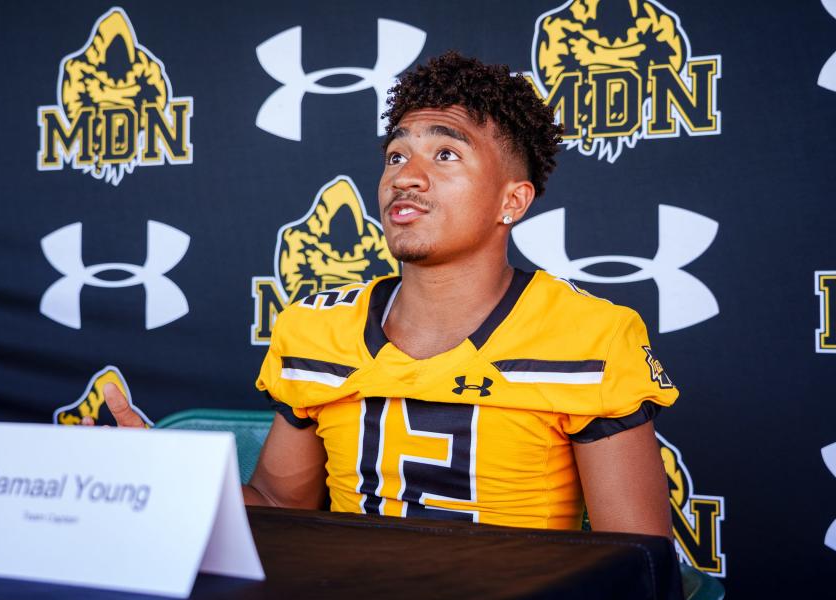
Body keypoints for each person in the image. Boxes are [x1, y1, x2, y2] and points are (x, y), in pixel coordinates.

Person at [96, 52, 677, 537]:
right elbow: (278, 510)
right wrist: (166, 476)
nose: (406, 175)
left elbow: (632, 560)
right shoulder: (314, 330)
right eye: (397, 155)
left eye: (446, 154)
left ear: (512, 202)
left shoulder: (590, 335)